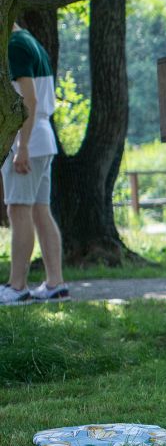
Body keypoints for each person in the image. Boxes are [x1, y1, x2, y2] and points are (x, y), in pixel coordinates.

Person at [0, 22, 67, 304]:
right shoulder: (30, 40)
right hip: (41, 136)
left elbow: (29, 98)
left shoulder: (14, 45)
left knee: (19, 210)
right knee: (40, 210)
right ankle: (55, 284)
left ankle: (18, 287)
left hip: (27, 139)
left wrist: (22, 146)